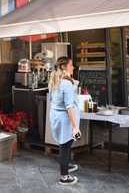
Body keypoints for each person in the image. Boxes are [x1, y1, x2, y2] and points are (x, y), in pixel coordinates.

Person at [49, 56, 81, 186]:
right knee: (65, 146)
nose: (73, 67)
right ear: (64, 67)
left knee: (64, 145)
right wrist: (75, 126)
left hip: (56, 115)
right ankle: (64, 176)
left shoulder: (54, 80)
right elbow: (69, 106)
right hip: (65, 118)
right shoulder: (66, 83)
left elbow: (52, 99)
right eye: (71, 65)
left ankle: (65, 164)